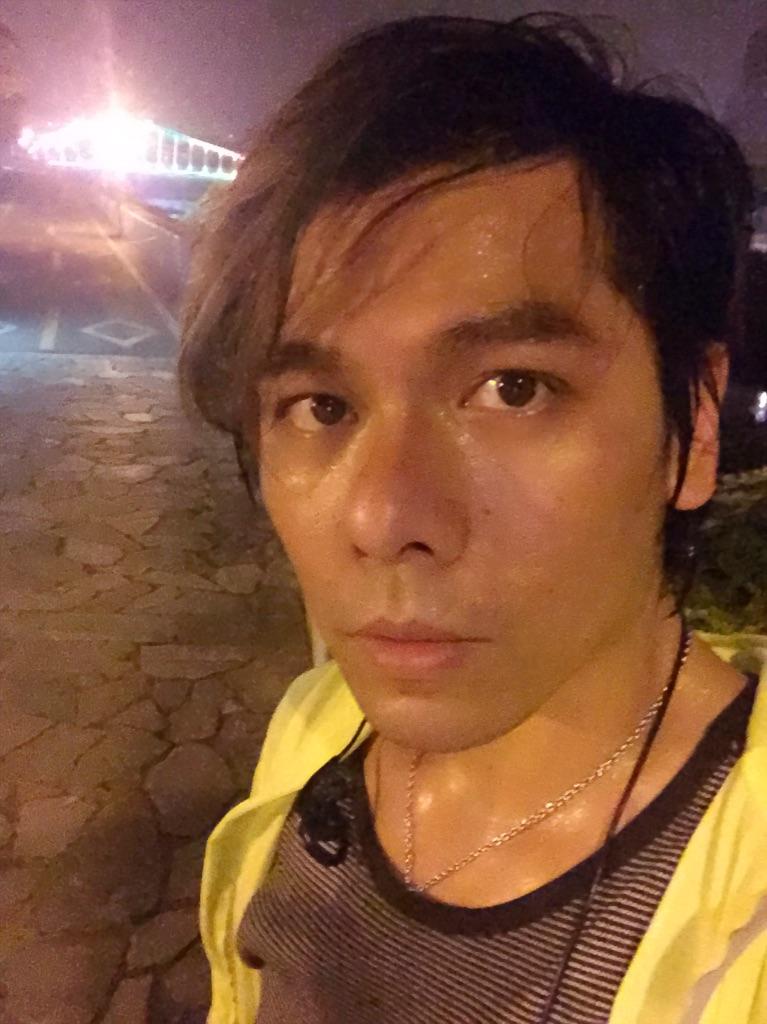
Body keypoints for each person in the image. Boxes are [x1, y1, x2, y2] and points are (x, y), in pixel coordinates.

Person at [180, 12, 767, 1023]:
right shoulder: (315, 729)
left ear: (695, 425)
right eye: (321, 407)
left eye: (512, 389)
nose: (383, 516)